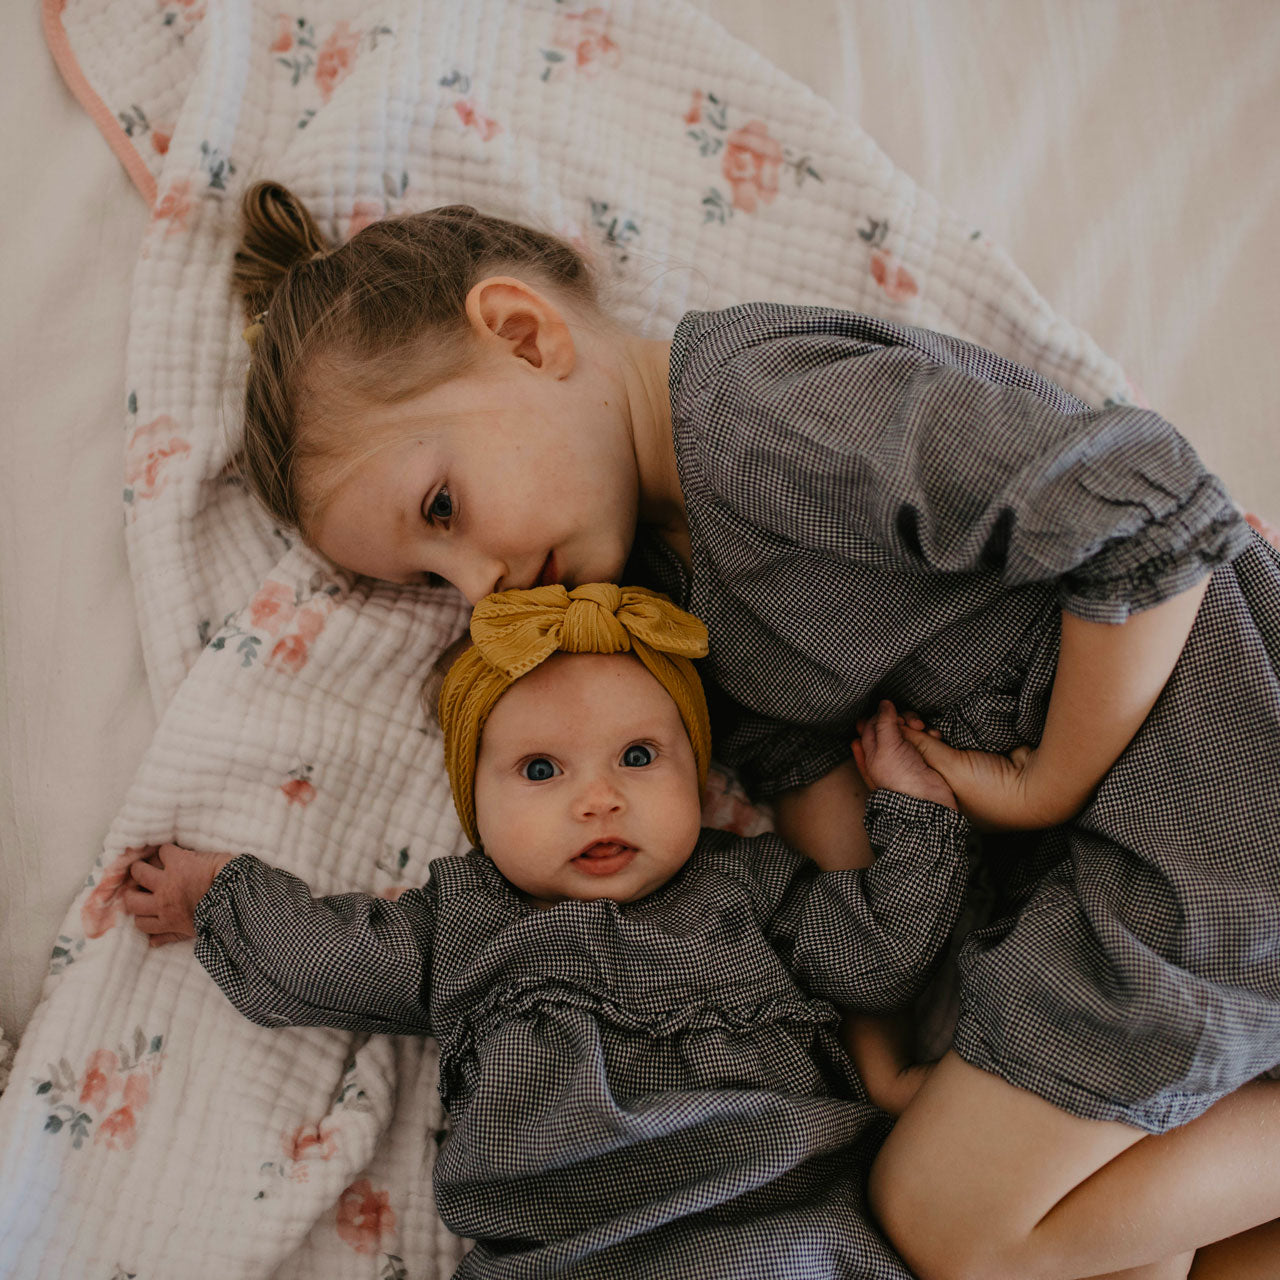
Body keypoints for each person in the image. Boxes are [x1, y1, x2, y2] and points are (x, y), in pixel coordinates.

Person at [225, 180, 1280, 1279]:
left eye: (442, 512)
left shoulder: (753, 417)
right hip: (1094, 880)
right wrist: (872, 1043)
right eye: (428, 580)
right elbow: (798, 769)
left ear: (525, 336)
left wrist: (1046, 778)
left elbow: (1145, 504)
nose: (477, 587)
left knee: (940, 1220)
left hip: (1213, 789)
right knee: (1122, 1257)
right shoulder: (660, 590)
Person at [122, 582, 973, 1279]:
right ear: (475, 807)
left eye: (639, 757)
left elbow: (875, 956)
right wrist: (218, 900)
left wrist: (919, 814)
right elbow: (331, 957)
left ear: (697, 769)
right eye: (540, 770)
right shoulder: (464, 923)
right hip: (565, 1255)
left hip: (776, 1233)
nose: (598, 798)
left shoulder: (748, 887)